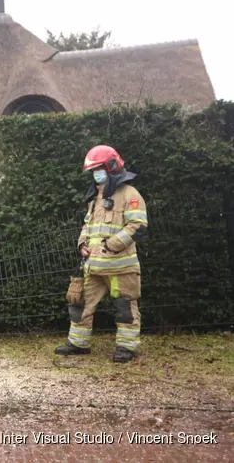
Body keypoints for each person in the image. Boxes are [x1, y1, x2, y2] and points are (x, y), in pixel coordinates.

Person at [55, 145, 148, 363]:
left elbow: (138, 225)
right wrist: (82, 245)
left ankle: (127, 347)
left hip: (120, 266)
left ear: (112, 167)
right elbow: (87, 226)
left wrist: (112, 245)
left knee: (124, 307)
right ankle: (78, 343)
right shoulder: (95, 197)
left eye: (98, 169)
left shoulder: (129, 194)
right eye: (93, 171)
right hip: (93, 265)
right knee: (79, 303)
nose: (95, 174)